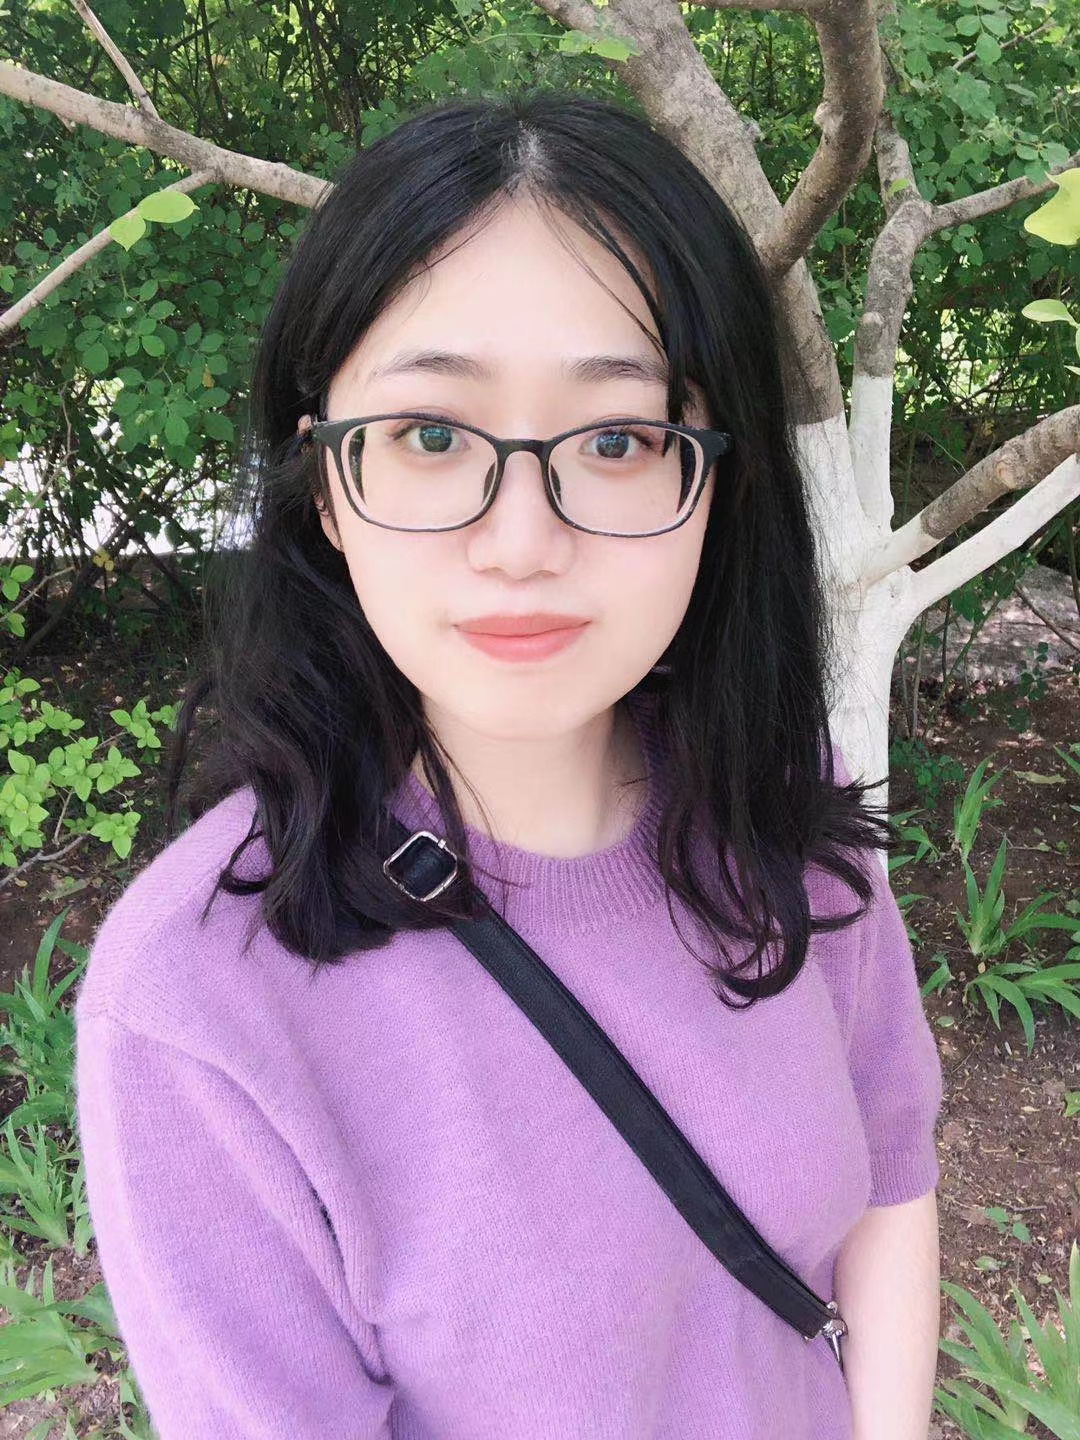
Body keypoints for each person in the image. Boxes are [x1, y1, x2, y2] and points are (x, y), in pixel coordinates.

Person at [74, 88, 944, 1440]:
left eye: (619, 440)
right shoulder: (199, 1001)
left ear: (718, 484)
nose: (524, 543)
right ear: (324, 486)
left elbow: (889, 1189)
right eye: (431, 436)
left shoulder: (783, 805)